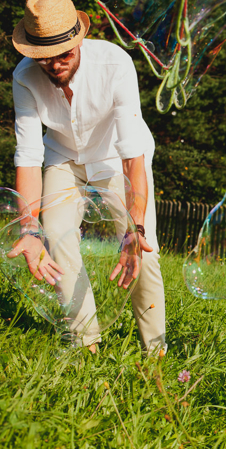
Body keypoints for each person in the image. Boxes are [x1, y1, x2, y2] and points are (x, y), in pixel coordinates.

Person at [10, 0, 166, 353]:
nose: (54, 63)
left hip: (115, 156)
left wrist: (134, 227)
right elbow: (30, 157)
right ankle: (85, 345)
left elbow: (131, 157)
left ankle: (155, 354)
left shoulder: (116, 65)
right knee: (54, 234)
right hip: (63, 157)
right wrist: (29, 228)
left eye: (62, 52)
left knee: (144, 250)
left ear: (79, 39)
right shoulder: (24, 77)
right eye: (44, 55)